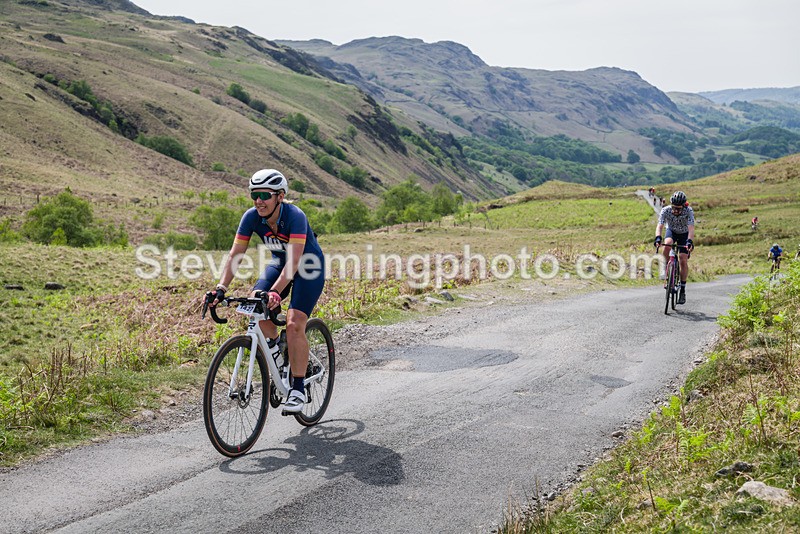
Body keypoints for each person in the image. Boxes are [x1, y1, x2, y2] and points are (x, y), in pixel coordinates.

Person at [206, 169, 325, 413]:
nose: (258, 201)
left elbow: (294, 263)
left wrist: (275, 292)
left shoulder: (295, 216)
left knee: (294, 323)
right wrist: (221, 288)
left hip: (308, 267)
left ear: (280, 196)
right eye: (254, 195)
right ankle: (279, 352)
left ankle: (298, 388)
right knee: (254, 306)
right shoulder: (251, 217)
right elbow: (236, 255)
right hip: (280, 264)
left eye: (264, 195)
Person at [654, 191, 695, 305]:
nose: (676, 210)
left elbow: (691, 228)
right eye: (674, 207)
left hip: (684, 234)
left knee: (683, 259)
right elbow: (660, 225)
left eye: (678, 208)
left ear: (683, 206)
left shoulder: (689, 211)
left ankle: (682, 290)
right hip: (671, 231)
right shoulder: (665, 210)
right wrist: (658, 237)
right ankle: (665, 267)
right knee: (667, 244)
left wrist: (690, 241)